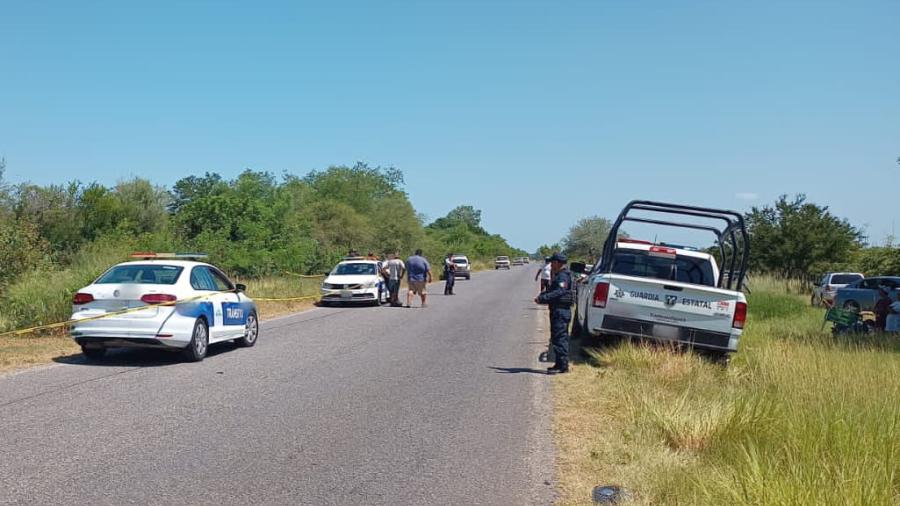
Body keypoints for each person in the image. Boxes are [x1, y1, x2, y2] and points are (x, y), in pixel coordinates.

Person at [535, 252, 575, 374]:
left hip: (561, 311)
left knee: (560, 338)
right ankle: (559, 364)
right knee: (556, 338)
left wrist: (543, 298)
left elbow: (560, 291)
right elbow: (553, 290)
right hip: (558, 310)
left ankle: (563, 366)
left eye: (552, 262)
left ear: (557, 263)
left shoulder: (563, 276)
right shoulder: (559, 275)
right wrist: (543, 296)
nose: (551, 265)